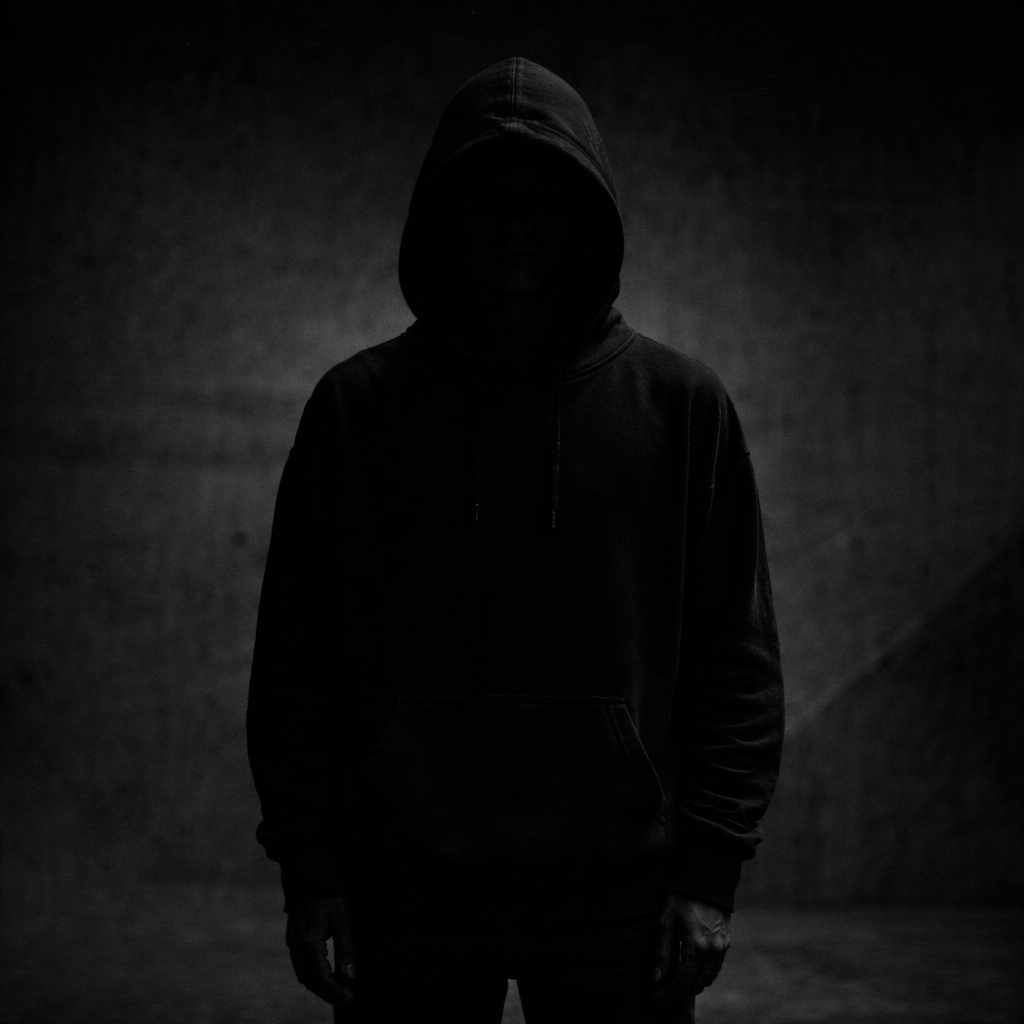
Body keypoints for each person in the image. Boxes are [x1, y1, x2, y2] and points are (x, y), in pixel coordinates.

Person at [247, 56, 784, 1023]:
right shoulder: (357, 410)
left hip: (618, 899)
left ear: (589, 215)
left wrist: (709, 873)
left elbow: (734, 660)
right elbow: (296, 660)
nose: (516, 220)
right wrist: (312, 870)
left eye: (545, 193)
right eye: (488, 192)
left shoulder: (681, 407)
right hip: (403, 892)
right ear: (441, 215)